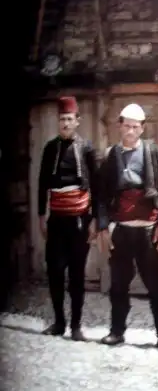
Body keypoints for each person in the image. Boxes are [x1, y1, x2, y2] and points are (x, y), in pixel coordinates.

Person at [96, 103, 158, 350]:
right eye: (126, 126)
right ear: (119, 126)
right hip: (122, 229)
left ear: (142, 128)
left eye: (135, 127)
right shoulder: (111, 155)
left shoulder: (152, 152)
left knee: (155, 284)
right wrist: (103, 225)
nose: (130, 131)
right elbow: (100, 194)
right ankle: (116, 332)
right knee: (118, 284)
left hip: (148, 229)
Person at [37, 96, 98, 341]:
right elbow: (42, 183)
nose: (65, 123)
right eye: (62, 119)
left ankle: (76, 326)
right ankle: (59, 323)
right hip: (57, 220)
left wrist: (95, 219)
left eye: (69, 119)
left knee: (76, 274)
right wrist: (41, 215)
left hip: (80, 220)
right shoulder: (50, 148)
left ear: (77, 121)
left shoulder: (86, 148)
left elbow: (97, 187)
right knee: (54, 271)